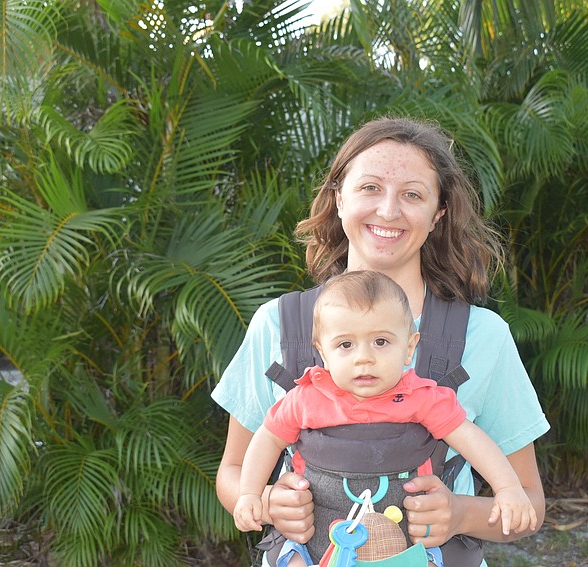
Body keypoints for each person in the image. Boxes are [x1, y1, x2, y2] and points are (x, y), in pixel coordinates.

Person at [212, 116, 550, 567]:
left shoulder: (483, 336)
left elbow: (529, 504)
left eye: (413, 194)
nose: (389, 210)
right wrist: (271, 503)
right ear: (338, 198)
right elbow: (231, 476)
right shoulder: (277, 325)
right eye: (369, 187)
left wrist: (461, 513)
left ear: (438, 214)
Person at [232, 270, 538, 566]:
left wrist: (507, 488)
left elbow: (471, 439)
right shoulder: (306, 398)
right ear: (322, 352)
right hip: (317, 536)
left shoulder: (422, 397)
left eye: (381, 342)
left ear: (408, 348)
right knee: (293, 558)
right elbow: (267, 438)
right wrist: (251, 493)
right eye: (346, 344)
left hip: (403, 538)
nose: (364, 357)